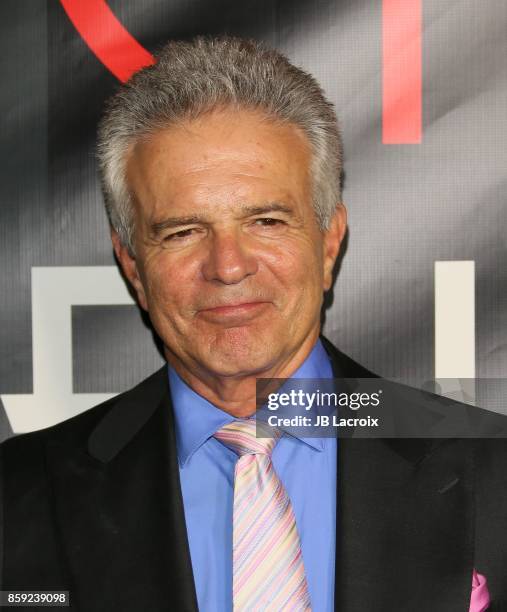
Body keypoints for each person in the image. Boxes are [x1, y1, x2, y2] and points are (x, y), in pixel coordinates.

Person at [0, 36, 503, 612]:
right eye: (182, 231)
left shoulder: (492, 471)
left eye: (266, 220)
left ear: (330, 240)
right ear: (132, 265)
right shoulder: (19, 497)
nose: (228, 265)